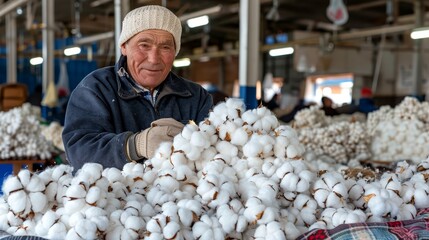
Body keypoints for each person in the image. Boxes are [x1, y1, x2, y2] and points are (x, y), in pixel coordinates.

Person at [62, 5, 213, 171]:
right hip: (115, 196)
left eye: (165, 47)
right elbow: (79, 152)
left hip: (182, 194)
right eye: (144, 45)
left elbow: (214, 153)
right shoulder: (95, 89)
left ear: (175, 52)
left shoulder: (196, 97)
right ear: (124, 47)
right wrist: (134, 146)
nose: (154, 59)